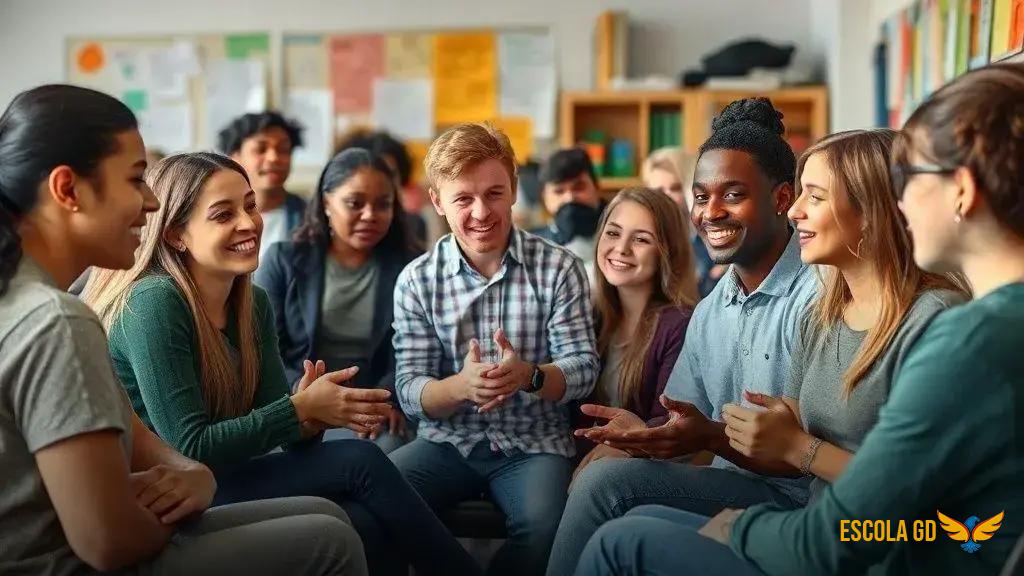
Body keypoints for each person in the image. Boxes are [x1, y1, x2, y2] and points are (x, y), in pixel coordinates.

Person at [576, 124, 990, 576]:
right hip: (817, 529)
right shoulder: (829, 311)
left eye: (814, 196)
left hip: (862, 548)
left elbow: (925, 500)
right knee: (635, 520)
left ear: (869, 211)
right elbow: (782, 442)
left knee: (624, 541)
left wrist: (799, 450)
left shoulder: (933, 318)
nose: (794, 212)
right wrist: (710, 436)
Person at [0, 84, 364, 576]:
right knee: (331, 540)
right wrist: (189, 496)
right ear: (67, 190)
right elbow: (109, 543)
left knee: (327, 515)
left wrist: (194, 478)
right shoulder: (59, 322)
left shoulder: (41, 305)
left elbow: (168, 459)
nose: (152, 203)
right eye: (136, 180)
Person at [82, 152, 481, 576]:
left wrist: (312, 418)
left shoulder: (250, 302)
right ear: (177, 235)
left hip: (231, 473)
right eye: (223, 215)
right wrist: (297, 410)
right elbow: (190, 448)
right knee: (360, 464)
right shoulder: (155, 302)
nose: (249, 223)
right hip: (177, 494)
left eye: (250, 206)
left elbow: (287, 436)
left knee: (361, 507)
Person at [546, 97, 817, 576]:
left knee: (606, 488)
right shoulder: (712, 311)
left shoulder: (820, 293)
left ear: (781, 199)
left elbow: (804, 455)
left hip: (798, 503)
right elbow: (684, 428)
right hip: (730, 487)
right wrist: (645, 436)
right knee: (619, 501)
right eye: (700, 196)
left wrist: (699, 437)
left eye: (732, 195)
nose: (711, 212)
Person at [388, 122, 600, 576]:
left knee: (545, 528)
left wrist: (530, 375)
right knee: (377, 502)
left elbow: (583, 368)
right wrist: (460, 387)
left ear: (515, 190)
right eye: (463, 198)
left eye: (494, 193)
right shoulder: (416, 281)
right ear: (437, 202)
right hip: (448, 441)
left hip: (534, 442)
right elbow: (409, 389)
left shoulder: (560, 268)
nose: (481, 212)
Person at [255, 148, 420, 453]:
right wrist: (304, 396)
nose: (370, 215)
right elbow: (264, 350)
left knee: (385, 459)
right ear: (327, 202)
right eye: (355, 203)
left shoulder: (411, 268)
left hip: (373, 411)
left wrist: (384, 399)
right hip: (300, 405)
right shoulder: (284, 260)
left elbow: (410, 349)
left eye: (383, 205)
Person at [571, 187, 698, 482]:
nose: (622, 248)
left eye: (641, 239)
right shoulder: (589, 314)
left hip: (641, 470)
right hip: (586, 461)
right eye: (613, 233)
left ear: (667, 252)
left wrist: (622, 445)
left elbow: (669, 420)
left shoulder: (680, 323)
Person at [217, 111, 306, 264]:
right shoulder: (216, 216)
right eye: (260, 149)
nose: (274, 158)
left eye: (283, 149)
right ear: (235, 156)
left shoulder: (309, 218)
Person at [642, 146, 724, 296]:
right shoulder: (647, 238)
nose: (667, 197)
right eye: (659, 191)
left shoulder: (716, 233)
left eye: (675, 188)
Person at [531, 147, 606, 277]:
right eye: (559, 191)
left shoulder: (622, 241)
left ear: (596, 188)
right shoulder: (530, 248)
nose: (570, 197)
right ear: (545, 198)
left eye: (579, 187)